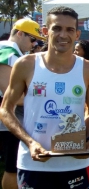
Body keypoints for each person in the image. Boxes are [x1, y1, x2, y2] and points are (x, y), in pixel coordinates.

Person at [0, 6, 89, 189]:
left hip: (75, 163)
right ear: (46, 31)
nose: (63, 35)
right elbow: (6, 109)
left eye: (69, 29)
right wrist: (30, 142)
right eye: (57, 28)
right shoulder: (25, 65)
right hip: (34, 163)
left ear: (77, 34)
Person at [0, 19, 44, 189]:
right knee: (12, 167)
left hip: (13, 117)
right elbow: (10, 94)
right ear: (19, 33)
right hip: (9, 120)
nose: (35, 44)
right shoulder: (7, 52)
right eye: (32, 39)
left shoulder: (14, 53)